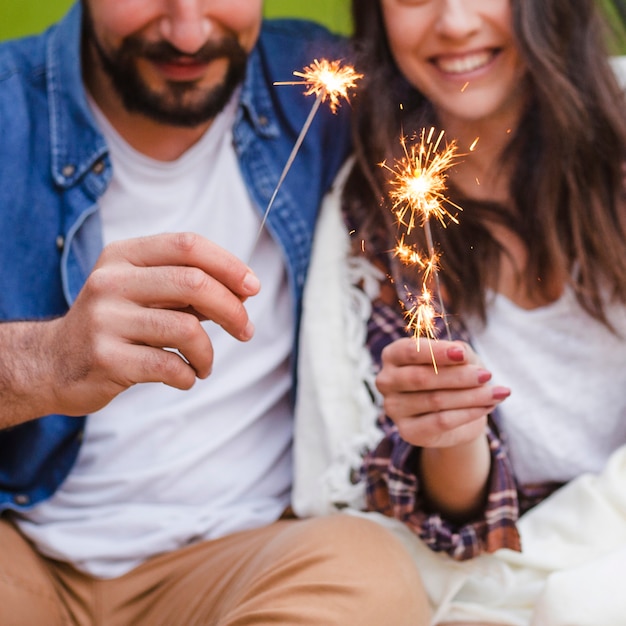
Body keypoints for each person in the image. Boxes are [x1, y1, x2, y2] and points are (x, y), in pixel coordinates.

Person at [0, 1, 430, 624]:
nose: (188, 32)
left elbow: (498, 98)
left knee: (372, 572)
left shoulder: (322, 85)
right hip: (23, 557)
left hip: (247, 559)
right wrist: (48, 361)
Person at [292, 0, 626, 624]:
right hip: (504, 575)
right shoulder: (375, 223)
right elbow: (457, 515)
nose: (454, 22)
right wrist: (450, 436)